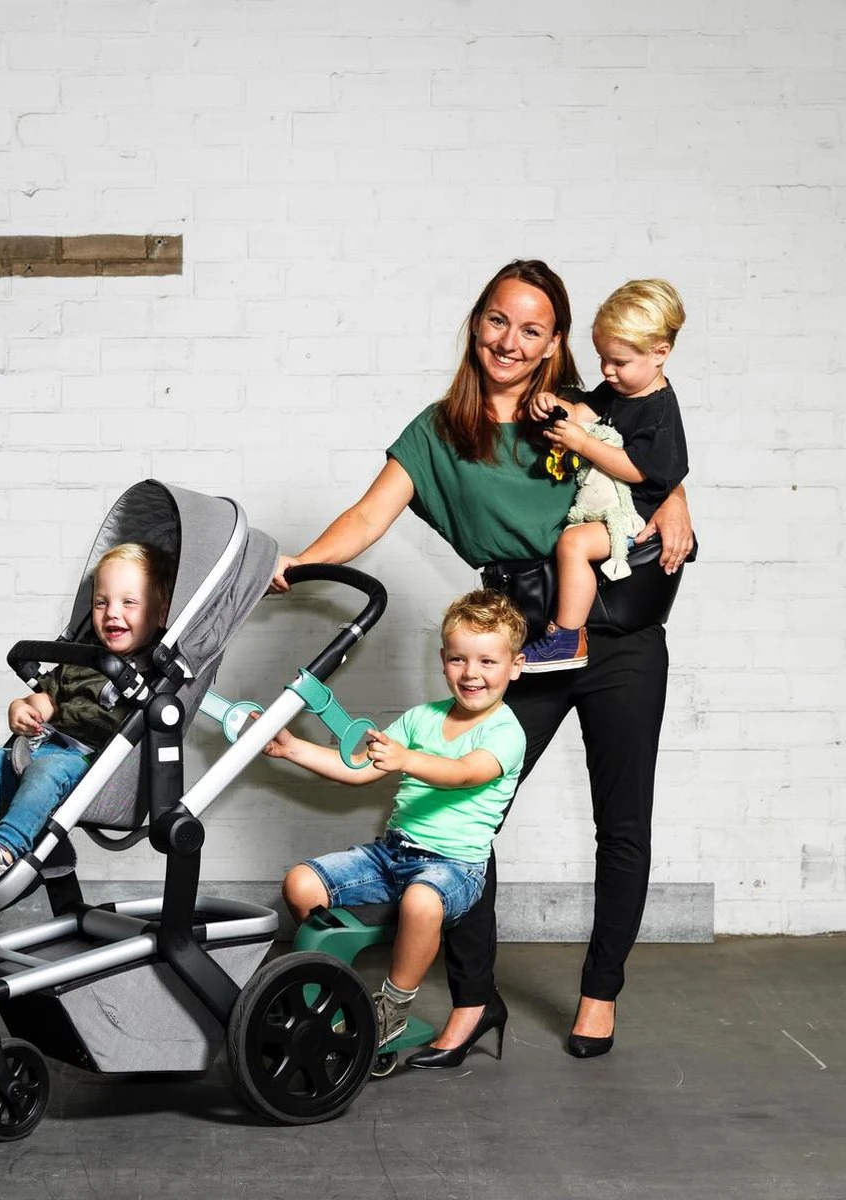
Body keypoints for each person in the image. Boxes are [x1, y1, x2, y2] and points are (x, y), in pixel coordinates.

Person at [271, 259, 694, 1063]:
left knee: (622, 824)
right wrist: (302, 561)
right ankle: (473, 1002)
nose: (511, 341)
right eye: (499, 321)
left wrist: (675, 499)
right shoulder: (439, 433)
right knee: (460, 817)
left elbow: (652, 454)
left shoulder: (577, 409)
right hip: (522, 647)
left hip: (622, 632)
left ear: (554, 342)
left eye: (533, 330)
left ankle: (600, 993)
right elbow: (368, 515)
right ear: (477, 323)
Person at [267, 590, 527, 1059]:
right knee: (301, 883)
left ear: (515, 666)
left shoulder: (506, 731)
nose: (471, 673)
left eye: (488, 661)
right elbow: (358, 767)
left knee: (422, 901)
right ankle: (329, 996)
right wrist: (293, 749)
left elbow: (464, 772)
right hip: (393, 853)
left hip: (455, 867)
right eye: (459, 659)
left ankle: (392, 1007)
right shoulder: (420, 718)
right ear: (443, 661)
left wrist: (407, 759)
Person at [0, 541, 175, 889]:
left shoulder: (154, 672)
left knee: (47, 770)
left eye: (129, 602)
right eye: (101, 602)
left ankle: (2, 853)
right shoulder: (84, 660)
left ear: (160, 614)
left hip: (90, 767)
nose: (111, 613)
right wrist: (22, 708)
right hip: (42, 749)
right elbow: (46, 699)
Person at [521, 279, 689, 672]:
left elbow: (637, 468)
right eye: (602, 359)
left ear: (660, 353)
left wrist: (581, 443)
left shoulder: (659, 409)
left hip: (637, 513)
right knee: (570, 540)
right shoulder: (617, 391)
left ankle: (566, 637)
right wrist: (554, 404)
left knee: (573, 543)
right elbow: (583, 412)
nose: (608, 371)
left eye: (619, 362)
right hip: (609, 504)